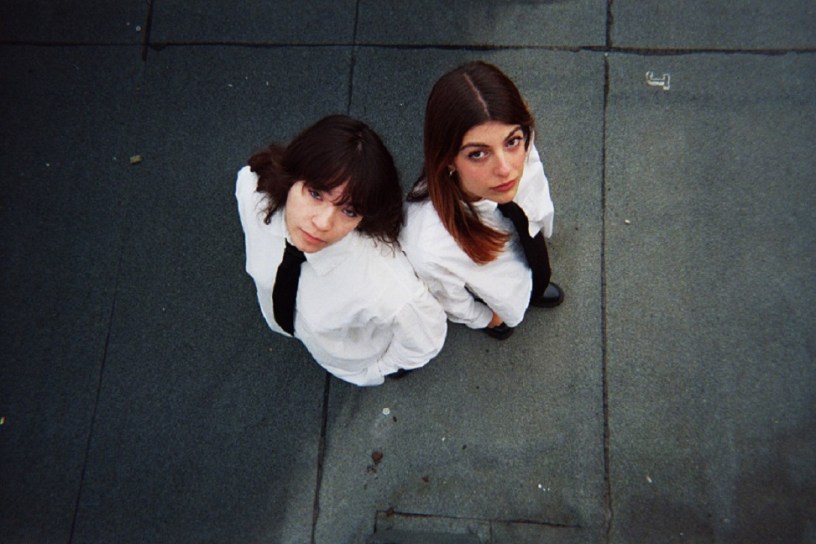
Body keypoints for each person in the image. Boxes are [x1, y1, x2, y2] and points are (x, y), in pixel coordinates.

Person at [236, 114, 447, 385]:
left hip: (348, 361)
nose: (323, 223)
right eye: (315, 194)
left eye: (349, 211)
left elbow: (427, 335)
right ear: (292, 176)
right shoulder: (253, 192)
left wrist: (377, 371)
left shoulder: (384, 281)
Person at [400, 61, 564, 341]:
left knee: (537, 270)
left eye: (511, 141)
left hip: (524, 240)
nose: (506, 169)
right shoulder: (428, 245)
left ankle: (535, 287)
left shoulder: (521, 147)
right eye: (478, 154)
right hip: (493, 291)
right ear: (448, 158)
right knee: (503, 304)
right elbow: (449, 297)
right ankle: (508, 312)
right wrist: (485, 317)